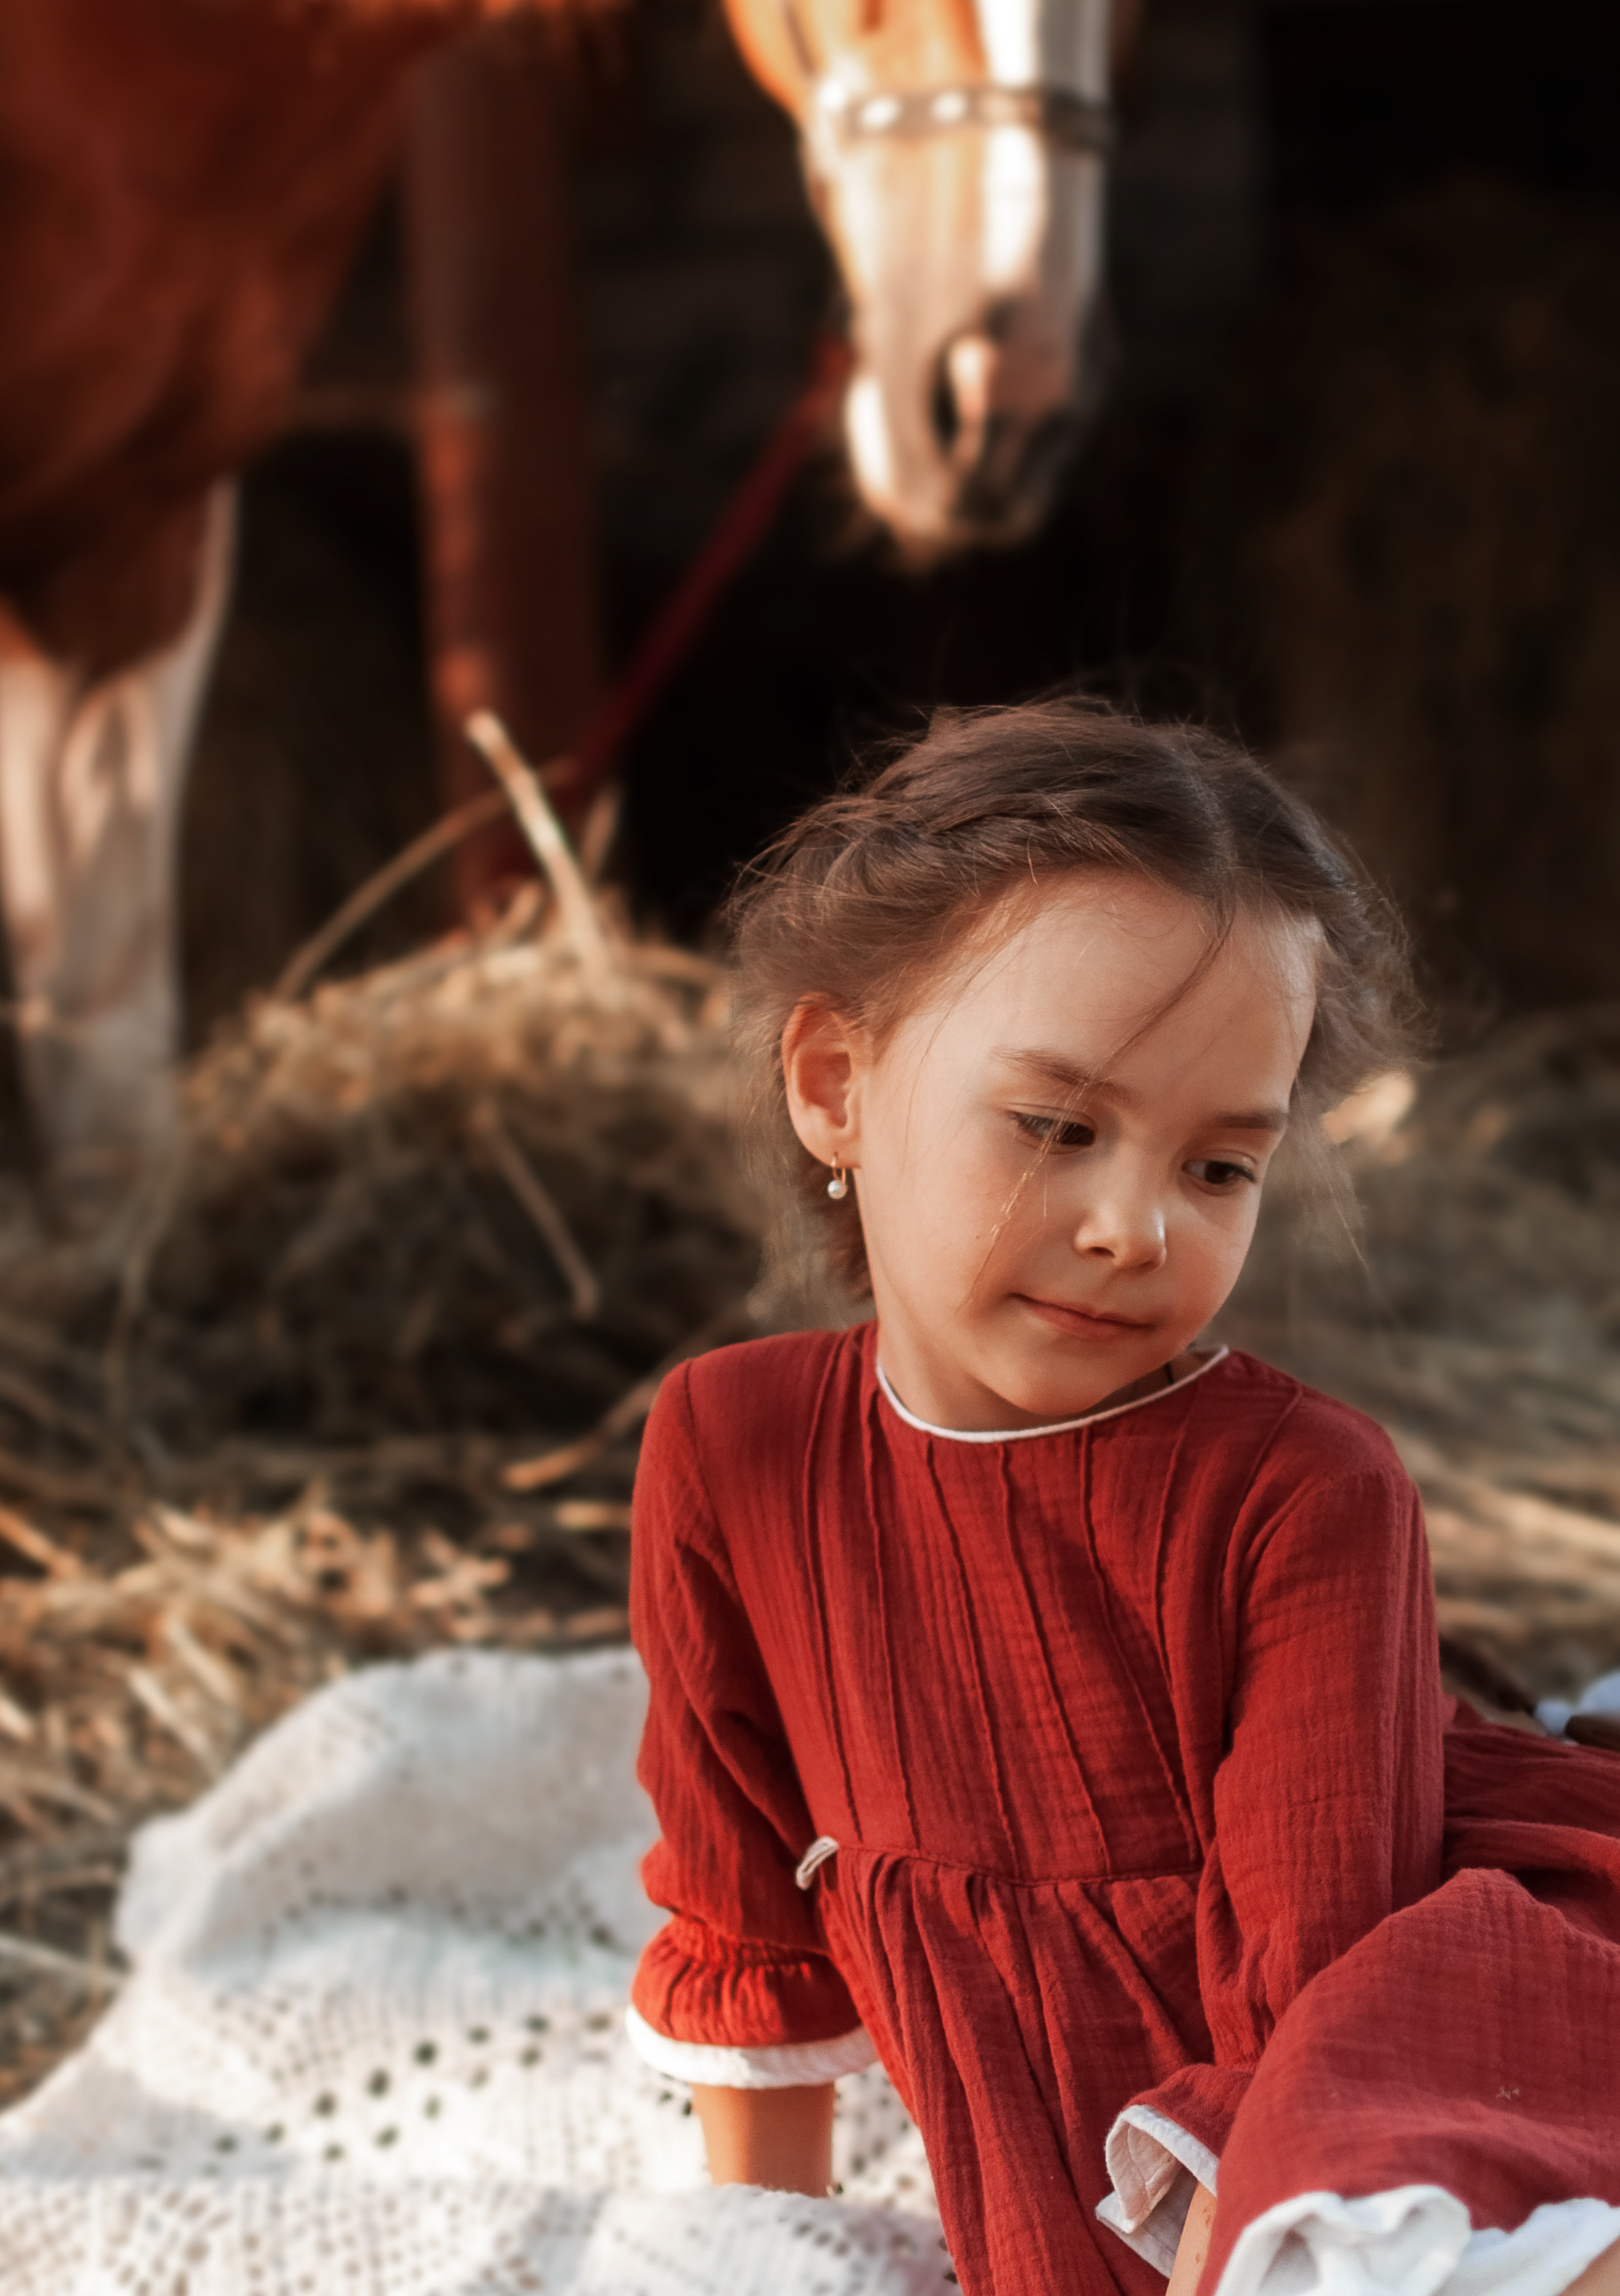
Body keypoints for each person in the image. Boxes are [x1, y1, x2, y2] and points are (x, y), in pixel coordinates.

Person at [622, 700, 1620, 2296]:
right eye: (1058, 1126)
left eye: (1217, 1166)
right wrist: (761, 2251)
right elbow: (745, 1914)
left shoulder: (1302, 1491)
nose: (1133, 1227)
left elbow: (1323, 2023)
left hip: (1402, 2073)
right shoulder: (731, 1447)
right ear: (833, 1082)